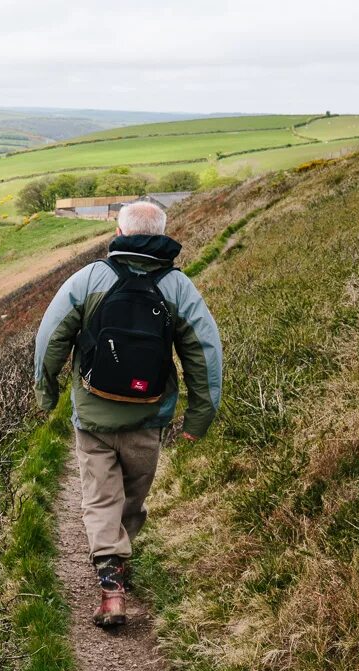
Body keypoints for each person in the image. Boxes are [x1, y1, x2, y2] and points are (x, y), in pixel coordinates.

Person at [34, 201, 222, 627]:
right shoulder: (178, 287)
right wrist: (198, 417)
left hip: (94, 414)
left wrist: (47, 394)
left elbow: (50, 339)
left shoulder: (89, 279)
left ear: (118, 233)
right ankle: (120, 561)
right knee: (132, 498)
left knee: (100, 496)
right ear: (161, 234)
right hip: (149, 415)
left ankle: (110, 587)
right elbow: (205, 354)